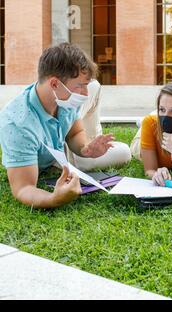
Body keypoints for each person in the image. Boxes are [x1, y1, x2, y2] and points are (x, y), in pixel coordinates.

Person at [0, 43, 128, 209]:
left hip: (61, 150)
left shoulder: (65, 99)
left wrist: (85, 148)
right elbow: (24, 188)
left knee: (123, 153)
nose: (85, 94)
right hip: (51, 161)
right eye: (80, 86)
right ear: (54, 84)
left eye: (85, 86)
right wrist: (54, 199)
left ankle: (83, 154)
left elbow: (75, 133)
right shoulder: (18, 124)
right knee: (123, 152)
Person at [66, 79, 131, 171]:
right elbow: (70, 131)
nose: (85, 92)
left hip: (82, 146)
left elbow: (75, 132)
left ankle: (89, 146)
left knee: (94, 85)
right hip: (72, 153)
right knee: (125, 151)